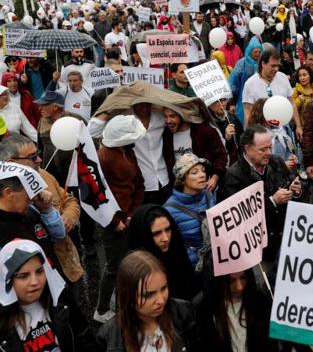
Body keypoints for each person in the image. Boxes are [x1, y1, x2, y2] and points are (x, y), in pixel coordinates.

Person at [0, 135, 84, 295]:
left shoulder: (44, 176)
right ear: (11, 163)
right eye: (32, 157)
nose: (39, 159)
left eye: (37, 153)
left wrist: (67, 216)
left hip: (64, 268)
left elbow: (69, 201)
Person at [0, 239, 102, 352]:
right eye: (23, 276)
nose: (34, 282)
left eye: (40, 271)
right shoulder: (4, 321)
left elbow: (85, 339)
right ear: (7, 281)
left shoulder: (61, 301)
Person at [220, 125, 302, 262]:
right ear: (247, 148)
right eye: (263, 149)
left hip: (286, 240)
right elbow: (238, 217)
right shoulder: (234, 176)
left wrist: (297, 190)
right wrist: (272, 202)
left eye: (270, 147)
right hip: (259, 250)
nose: (269, 152)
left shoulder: (276, 162)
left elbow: (292, 182)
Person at [95, 115, 146, 323]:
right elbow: (96, 193)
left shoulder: (128, 151)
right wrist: (115, 220)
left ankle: (126, 303)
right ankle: (101, 309)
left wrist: (133, 213)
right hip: (112, 222)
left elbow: (138, 184)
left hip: (129, 217)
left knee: (130, 263)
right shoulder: (103, 156)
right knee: (114, 267)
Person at [98, 250, 200, 352]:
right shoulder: (110, 335)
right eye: (149, 295)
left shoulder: (183, 313)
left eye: (164, 288)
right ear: (128, 296)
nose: (161, 300)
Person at [197, 268, 278, 352]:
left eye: (243, 277)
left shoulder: (262, 305)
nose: (239, 287)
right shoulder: (207, 311)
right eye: (231, 281)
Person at [129, 204, 198, 301]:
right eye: (157, 233)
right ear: (144, 236)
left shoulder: (177, 254)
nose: (165, 238)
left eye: (168, 230)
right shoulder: (135, 273)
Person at [161, 106, 227, 192]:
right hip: (181, 192)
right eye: (165, 116)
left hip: (206, 189)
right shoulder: (167, 135)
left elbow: (221, 155)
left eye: (172, 116)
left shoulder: (204, 131)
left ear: (182, 115)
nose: (168, 121)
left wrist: (215, 177)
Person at [164, 153, 211, 270]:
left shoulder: (210, 195)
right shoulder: (169, 210)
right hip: (192, 270)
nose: (202, 175)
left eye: (203, 170)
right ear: (182, 180)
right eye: (194, 172)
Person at [241, 50, 303, 139]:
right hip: (263, 133)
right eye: (273, 66)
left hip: (284, 131)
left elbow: (291, 103)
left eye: (278, 66)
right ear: (263, 64)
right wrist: (248, 137)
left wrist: (298, 126)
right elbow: (248, 113)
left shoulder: (283, 77)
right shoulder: (250, 84)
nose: (276, 69)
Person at [229, 36, 263, 124]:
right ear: (250, 51)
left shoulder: (263, 64)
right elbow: (234, 84)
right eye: (255, 52)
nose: (258, 54)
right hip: (243, 99)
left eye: (260, 51)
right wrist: (232, 103)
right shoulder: (241, 64)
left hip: (260, 99)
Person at [205, 95, 244, 166]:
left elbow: (242, 140)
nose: (224, 103)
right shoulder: (206, 124)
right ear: (209, 103)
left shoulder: (232, 118)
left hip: (237, 164)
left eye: (224, 99)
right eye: (219, 100)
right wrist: (226, 138)